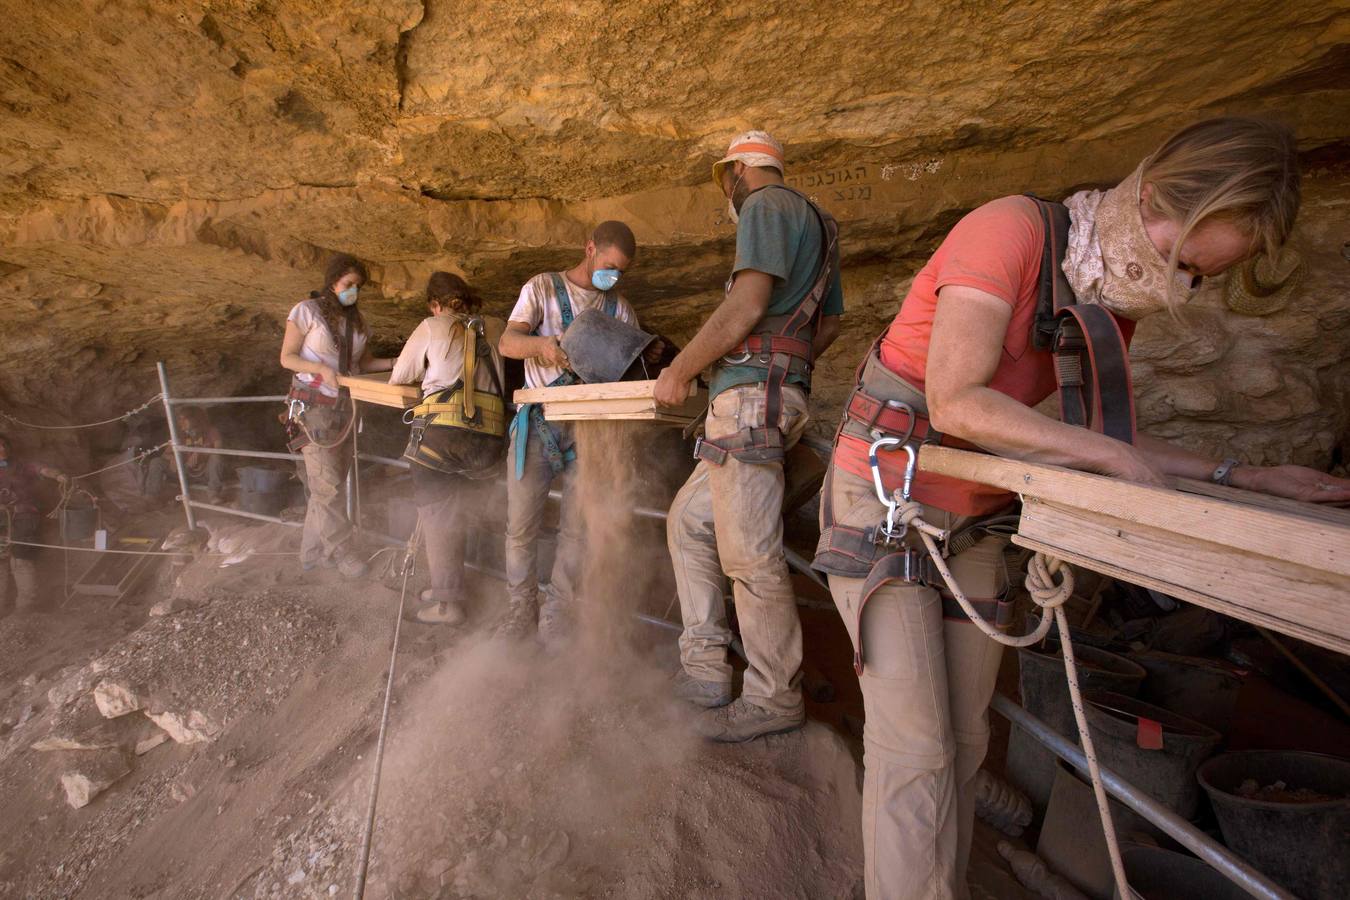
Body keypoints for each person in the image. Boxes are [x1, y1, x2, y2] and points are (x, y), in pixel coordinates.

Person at [812, 117, 1350, 899]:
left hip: (977, 516)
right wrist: (1107, 456)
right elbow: (957, 399)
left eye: (1200, 277)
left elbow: (1092, 439)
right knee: (917, 751)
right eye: (1180, 260)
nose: (1181, 285)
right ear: (1157, 198)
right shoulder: (1008, 232)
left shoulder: (1104, 304)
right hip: (888, 499)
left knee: (963, 741)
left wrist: (1244, 474)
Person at [654, 130, 844, 741]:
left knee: (750, 556)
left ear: (738, 170)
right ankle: (706, 668)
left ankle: (772, 696)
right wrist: (786, 365)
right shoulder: (822, 223)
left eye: (726, 180)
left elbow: (745, 304)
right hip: (775, 397)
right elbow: (831, 323)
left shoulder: (765, 206)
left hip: (748, 403)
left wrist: (682, 369)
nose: (728, 191)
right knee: (688, 521)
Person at [497, 221, 653, 643]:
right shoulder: (542, 288)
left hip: (590, 432)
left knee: (577, 528)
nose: (614, 277)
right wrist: (542, 347)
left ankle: (557, 613)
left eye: (621, 271)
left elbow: (630, 369)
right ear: (589, 249)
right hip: (538, 425)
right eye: (609, 266)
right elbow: (508, 343)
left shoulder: (619, 308)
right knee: (521, 525)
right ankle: (519, 608)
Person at [391, 272, 507, 625]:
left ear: (435, 304)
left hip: (443, 437)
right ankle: (452, 584)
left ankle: (447, 603)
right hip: (489, 443)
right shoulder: (499, 326)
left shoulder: (432, 325)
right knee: (462, 507)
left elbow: (400, 375)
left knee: (439, 514)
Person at [279, 253, 395, 579]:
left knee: (328, 485)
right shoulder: (306, 312)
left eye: (358, 286)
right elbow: (287, 358)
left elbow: (363, 364)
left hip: (344, 411)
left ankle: (310, 553)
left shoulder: (358, 323)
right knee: (328, 487)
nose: (353, 291)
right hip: (313, 409)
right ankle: (342, 552)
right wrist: (319, 368)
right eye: (348, 284)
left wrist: (398, 362)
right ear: (333, 282)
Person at [0, 433, 68, 614]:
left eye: (4, 445)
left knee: (20, 560)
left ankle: (24, 608)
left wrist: (58, 475)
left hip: (24, 517)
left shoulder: (21, 465)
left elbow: (41, 469)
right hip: (2, 520)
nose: (3, 449)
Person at [168, 405, 226, 504]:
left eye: (184, 419)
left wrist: (201, 451)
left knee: (216, 457)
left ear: (194, 419)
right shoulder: (180, 435)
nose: (180, 422)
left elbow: (219, 450)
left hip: (205, 473)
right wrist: (174, 457)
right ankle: (153, 497)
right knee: (157, 462)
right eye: (179, 419)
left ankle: (213, 494)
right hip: (187, 472)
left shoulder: (211, 431)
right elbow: (165, 455)